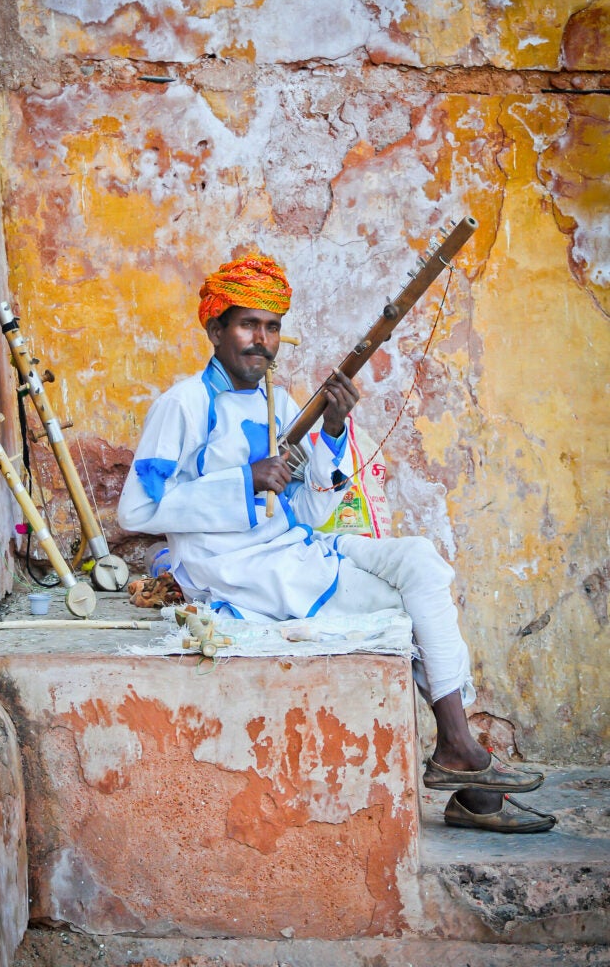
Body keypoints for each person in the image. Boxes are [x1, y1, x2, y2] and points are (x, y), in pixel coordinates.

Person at [118, 254, 555, 834]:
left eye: (272, 327)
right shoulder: (182, 405)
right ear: (214, 329)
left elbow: (310, 510)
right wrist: (245, 479)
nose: (262, 340)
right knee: (413, 610)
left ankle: (460, 757)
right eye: (248, 324)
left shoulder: (276, 401)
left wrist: (329, 432)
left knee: (422, 562)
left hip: (297, 547)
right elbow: (137, 508)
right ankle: (471, 780)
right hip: (238, 569)